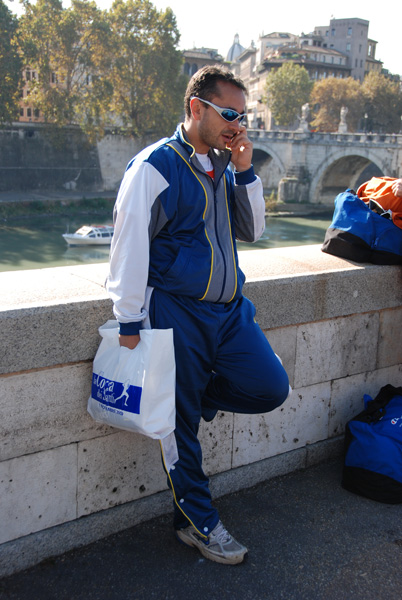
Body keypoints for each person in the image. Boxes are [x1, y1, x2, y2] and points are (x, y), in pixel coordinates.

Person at [106, 65, 290, 565]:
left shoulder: (224, 166)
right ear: (196, 108)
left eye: (244, 116)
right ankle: (198, 523)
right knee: (178, 429)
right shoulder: (154, 167)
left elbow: (251, 231)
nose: (239, 125)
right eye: (230, 114)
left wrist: (247, 170)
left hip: (229, 312)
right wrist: (128, 324)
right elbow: (127, 249)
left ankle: (200, 398)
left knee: (270, 386)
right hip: (175, 314)